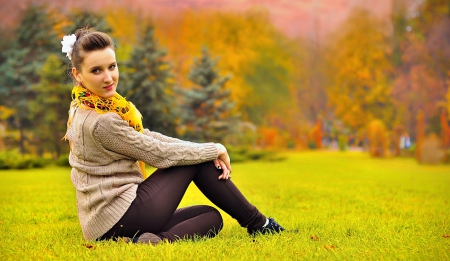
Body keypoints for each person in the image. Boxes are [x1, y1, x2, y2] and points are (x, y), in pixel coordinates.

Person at [62, 27, 284, 245]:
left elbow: (143, 138)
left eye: (112, 66)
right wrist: (214, 149)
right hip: (119, 215)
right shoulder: (102, 121)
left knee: (210, 217)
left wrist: (205, 149)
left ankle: (153, 241)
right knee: (195, 161)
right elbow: (158, 153)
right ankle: (260, 225)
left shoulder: (87, 106)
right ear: (77, 74)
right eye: (96, 70)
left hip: (105, 225)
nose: (108, 77)